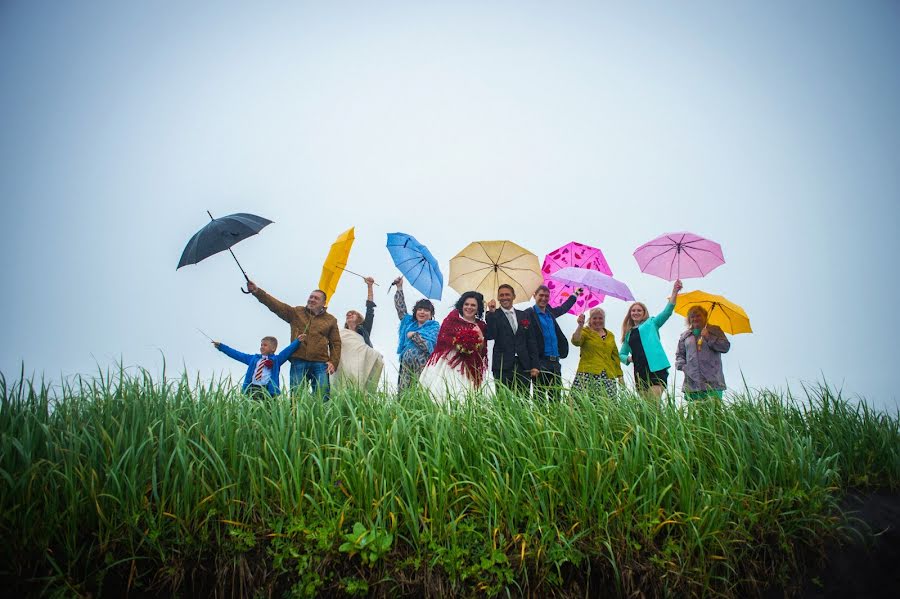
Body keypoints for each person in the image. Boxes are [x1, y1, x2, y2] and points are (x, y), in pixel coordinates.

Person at [246, 281, 341, 400]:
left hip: (320, 362)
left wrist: (333, 362)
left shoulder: (331, 320)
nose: (311, 299)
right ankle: (297, 417)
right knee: (297, 396)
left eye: (316, 298)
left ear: (323, 303)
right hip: (299, 360)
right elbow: (276, 306)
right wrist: (257, 292)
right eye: (310, 297)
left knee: (323, 396)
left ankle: (321, 418)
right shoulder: (296, 312)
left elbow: (335, 343)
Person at [419, 291, 489, 402]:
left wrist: (480, 338)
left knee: (466, 397)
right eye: (466, 304)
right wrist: (459, 343)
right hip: (449, 362)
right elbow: (442, 340)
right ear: (462, 305)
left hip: (470, 367)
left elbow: (482, 352)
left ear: (478, 308)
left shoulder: (481, 325)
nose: (469, 307)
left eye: (473, 305)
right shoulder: (452, 319)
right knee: (441, 395)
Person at [619, 279, 683, 399]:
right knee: (648, 410)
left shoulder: (652, 323)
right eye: (633, 311)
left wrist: (675, 291)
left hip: (656, 368)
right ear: (630, 314)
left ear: (644, 313)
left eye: (639, 310)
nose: (636, 312)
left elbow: (667, 312)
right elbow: (621, 354)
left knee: (654, 402)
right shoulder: (629, 334)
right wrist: (628, 358)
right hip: (640, 372)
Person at [527, 285, 583, 400]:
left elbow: (564, 308)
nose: (543, 298)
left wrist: (575, 294)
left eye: (546, 296)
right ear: (534, 296)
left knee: (556, 398)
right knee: (540, 399)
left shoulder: (550, 313)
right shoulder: (529, 314)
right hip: (540, 362)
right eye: (541, 295)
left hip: (555, 362)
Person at [213, 334, 305, 399]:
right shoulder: (253, 359)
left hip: (267, 389)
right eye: (261, 345)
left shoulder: (276, 360)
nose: (262, 347)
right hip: (252, 388)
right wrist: (221, 347)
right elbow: (236, 354)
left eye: (265, 345)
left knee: (267, 409)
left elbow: (287, 351)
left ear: (273, 348)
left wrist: (297, 341)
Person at [484, 284, 539, 394]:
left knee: (523, 401)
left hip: (523, 365)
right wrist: (492, 313)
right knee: (503, 403)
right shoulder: (492, 314)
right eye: (501, 295)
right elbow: (491, 335)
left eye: (507, 294)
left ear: (513, 296)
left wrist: (535, 365)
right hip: (502, 366)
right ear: (498, 297)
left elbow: (531, 341)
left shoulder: (524, 315)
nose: (504, 297)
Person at [393, 276, 440, 393]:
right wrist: (399, 287)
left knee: (420, 393)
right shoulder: (409, 323)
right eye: (420, 309)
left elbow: (428, 346)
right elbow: (401, 309)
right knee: (404, 394)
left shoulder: (434, 327)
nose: (422, 312)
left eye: (426, 310)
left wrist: (414, 336)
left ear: (431, 314)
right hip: (406, 366)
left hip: (423, 366)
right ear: (415, 312)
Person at [674, 305, 731, 401]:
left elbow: (725, 347)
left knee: (714, 412)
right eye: (692, 316)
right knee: (695, 413)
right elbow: (680, 355)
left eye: (698, 316)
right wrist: (684, 367)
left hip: (713, 382)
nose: (695, 318)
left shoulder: (715, 330)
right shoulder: (685, 336)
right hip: (692, 383)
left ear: (705, 316)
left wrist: (709, 336)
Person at [571, 307, 623, 398]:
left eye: (600, 318)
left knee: (608, 405)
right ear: (590, 320)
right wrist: (580, 326)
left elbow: (615, 356)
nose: (597, 320)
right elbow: (576, 341)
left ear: (604, 319)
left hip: (608, 376)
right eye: (594, 318)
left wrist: (620, 375)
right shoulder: (585, 332)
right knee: (583, 404)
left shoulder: (610, 335)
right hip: (587, 374)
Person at [344, 276, 377, 347]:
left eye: (352, 313)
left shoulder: (364, 329)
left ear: (358, 318)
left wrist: (370, 286)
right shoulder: (342, 334)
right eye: (347, 315)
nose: (349, 314)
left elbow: (369, 309)